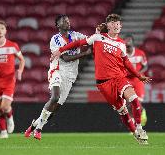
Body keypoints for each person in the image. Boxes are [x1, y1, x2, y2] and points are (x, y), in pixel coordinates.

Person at [51, 14, 151, 145]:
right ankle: (135, 134)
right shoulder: (98, 38)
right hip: (104, 83)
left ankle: (139, 129)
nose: (116, 25)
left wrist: (139, 76)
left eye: (118, 23)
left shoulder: (121, 44)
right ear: (108, 25)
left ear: (121, 26)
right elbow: (78, 43)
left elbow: (126, 63)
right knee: (123, 112)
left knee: (134, 100)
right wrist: (60, 50)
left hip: (119, 77)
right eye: (113, 23)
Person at [24, 15, 91, 140]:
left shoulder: (76, 35)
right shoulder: (55, 39)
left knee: (55, 107)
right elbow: (65, 58)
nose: (67, 22)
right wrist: (85, 54)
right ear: (58, 25)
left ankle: (33, 126)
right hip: (58, 70)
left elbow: (89, 40)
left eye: (68, 20)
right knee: (55, 97)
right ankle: (39, 129)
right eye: (64, 21)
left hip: (71, 75)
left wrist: (97, 34)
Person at [123, 34, 148, 127]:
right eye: (126, 40)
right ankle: (134, 125)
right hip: (127, 80)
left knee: (137, 103)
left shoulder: (140, 53)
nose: (127, 42)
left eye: (129, 40)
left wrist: (138, 73)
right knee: (129, 103)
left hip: (138, 80)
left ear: (133, 42)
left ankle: (142, 111)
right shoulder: (121, 54)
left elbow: (145, 66)